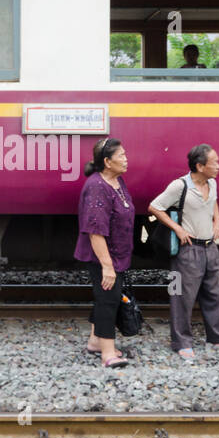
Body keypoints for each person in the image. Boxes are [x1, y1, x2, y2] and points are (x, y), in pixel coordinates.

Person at [148, 145, 219, 360]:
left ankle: (218, 337)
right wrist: (177, 228)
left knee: (216, 294)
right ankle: (181, 342)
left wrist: (218, 220)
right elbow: (155, 207)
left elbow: (213, 202)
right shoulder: (180, 186)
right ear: (200, 166)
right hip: (187, 250)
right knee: (181, 297)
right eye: (215, 162)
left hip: (209, 247)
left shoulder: (211, 182)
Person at [77, 138, 136, 368]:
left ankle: (95, 342)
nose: (125, 158)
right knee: (108, 301)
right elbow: (95, 231)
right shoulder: (97, 187)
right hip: (103, 255)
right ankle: (108, 354)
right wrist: (107, 266)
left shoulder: (116, 181)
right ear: (107, 162)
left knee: (107, 296)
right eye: (121, 155)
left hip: (117, 253)